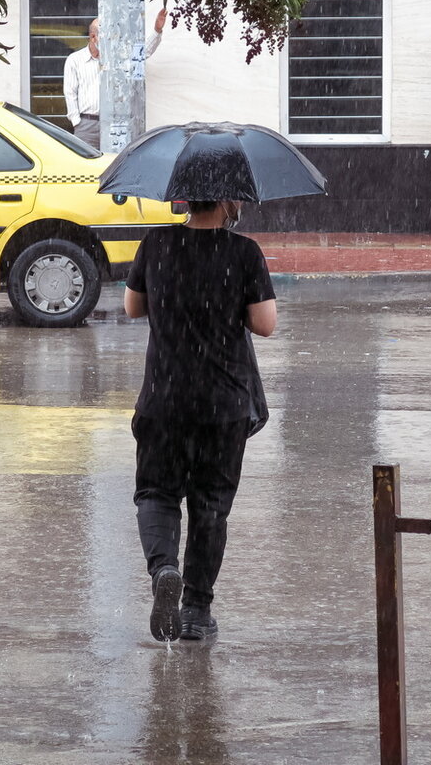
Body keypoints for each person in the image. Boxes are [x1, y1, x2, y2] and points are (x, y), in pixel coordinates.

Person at [123, 199, 277, 642]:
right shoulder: (243, 252)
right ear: (229, 200)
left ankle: (163, 569)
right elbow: (265, 324)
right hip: (222, 406)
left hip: (163, 400)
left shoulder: (156, 243)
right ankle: (194, 611)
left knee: (156, 492)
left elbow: (133, 307)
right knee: (210, 506)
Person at [63, 8, 167, 149]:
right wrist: (77, 121)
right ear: (93, 37)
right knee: (87, 167)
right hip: (87, 124)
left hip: (114, 123)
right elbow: (70, 93)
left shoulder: (117, 56)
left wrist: (157, 30)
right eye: (106, 36)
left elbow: (143, 53)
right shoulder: (75, 60)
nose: (111, 39)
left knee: (114, 164)